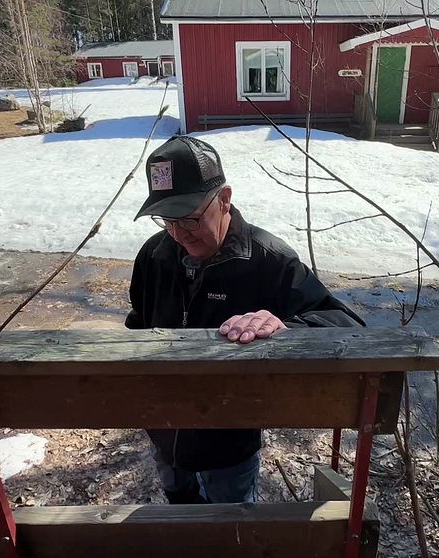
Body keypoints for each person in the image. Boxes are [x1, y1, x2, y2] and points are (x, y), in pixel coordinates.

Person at [125, 135, 364, 505]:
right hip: (163, 431)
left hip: (229, 442)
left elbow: (345, 325)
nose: (178, 234)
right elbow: (138, 323)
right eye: (167, 219)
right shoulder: (154, 255)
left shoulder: (269, 260)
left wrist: (285, 328)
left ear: (224, 199)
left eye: (189, 218)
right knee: (180, 510)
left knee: (230, 525)